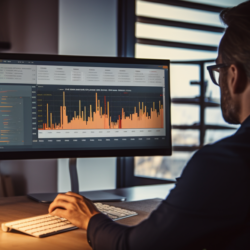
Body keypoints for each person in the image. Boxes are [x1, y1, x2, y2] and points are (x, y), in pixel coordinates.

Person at [48, 2, 250, 249]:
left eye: (217, 69)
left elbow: (133, 247)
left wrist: (91, 218)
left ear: (233, 75)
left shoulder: (227, 162)